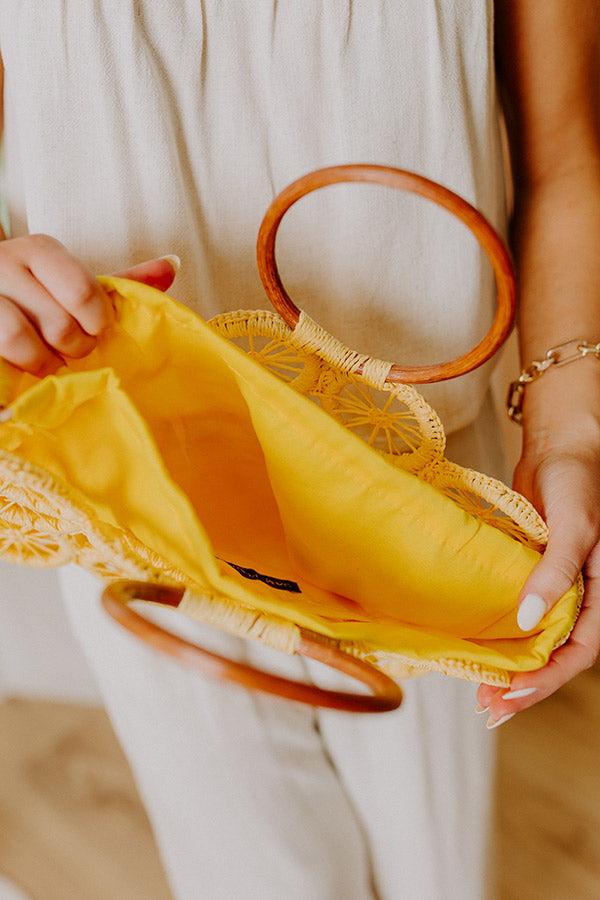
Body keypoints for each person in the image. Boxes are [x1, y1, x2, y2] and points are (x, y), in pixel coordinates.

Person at [0, 2, 598, 897]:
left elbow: (567, 158)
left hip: (432, 501)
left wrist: (572, 435)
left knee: (435, 864)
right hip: (136, 509)